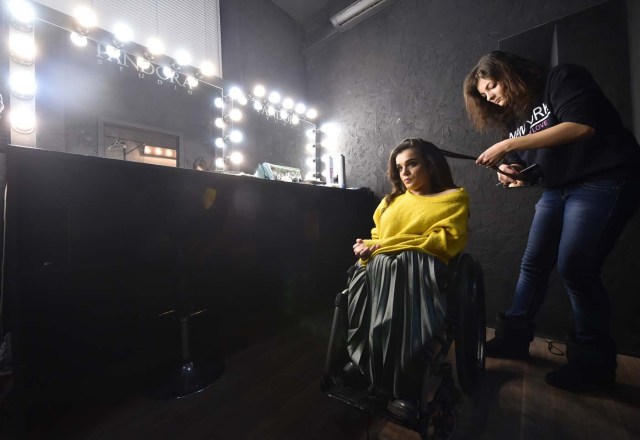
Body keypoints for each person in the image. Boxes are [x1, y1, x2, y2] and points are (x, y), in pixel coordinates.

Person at [463, 51, 640, 392]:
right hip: (559, 189)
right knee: (533, 263)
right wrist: (511, 173)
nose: (490, 97)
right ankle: (514, 340)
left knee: (576, 267)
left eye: (492, 86)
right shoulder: (513, 120)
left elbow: (580, 126)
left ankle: (594, 368)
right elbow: (525, 166)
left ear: (508, 72)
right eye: (484, 96)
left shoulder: (561, 79)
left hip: (605, 178)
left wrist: (508, 144)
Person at [346, 138, 469, 420]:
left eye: (412, 163)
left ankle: (404, 384)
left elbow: (445, 240)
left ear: (431, 164)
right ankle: (365, 360)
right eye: (400, 167)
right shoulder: (391, 202)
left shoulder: (454, 197)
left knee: (403, 264)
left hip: (422, 268)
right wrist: (365, 246)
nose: (405, 172)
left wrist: (388, 248)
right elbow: (378, 237)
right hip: (381, 266)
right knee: (372, 269)